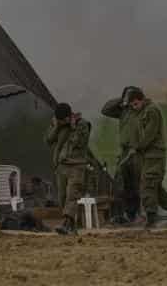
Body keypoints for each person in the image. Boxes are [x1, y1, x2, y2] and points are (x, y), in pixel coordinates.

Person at [127, 88, 167, 228]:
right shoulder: (144, 111)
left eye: (135, 104)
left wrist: (137, 147)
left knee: (147, 186)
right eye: (132, 105)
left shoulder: (152, 110)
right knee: (156, 189)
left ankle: (151, 219)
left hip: (154, 155)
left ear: (142, 99)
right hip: (148, 156)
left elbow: (150, 133)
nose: (134, 107)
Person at [44, 102, 91, 235]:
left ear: (69, 116)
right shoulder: (59, 125)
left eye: (63, 120)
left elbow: (78, 142)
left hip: (76, 165)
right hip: (61, 166)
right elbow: (48, 140)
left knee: (72, 194)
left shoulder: (82, 124)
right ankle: (71, 226)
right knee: (62, 197)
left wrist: (73, 127)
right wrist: (56, 127)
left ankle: (66, 224)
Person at [100, 86, 141, 224]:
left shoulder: (140, 109)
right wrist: (121, 100)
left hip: (137, 151)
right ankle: (122, 214)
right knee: (120, 183)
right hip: (124, 152)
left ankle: (136, 214)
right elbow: (105, 109)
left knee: (136, 184)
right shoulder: (123, 110)